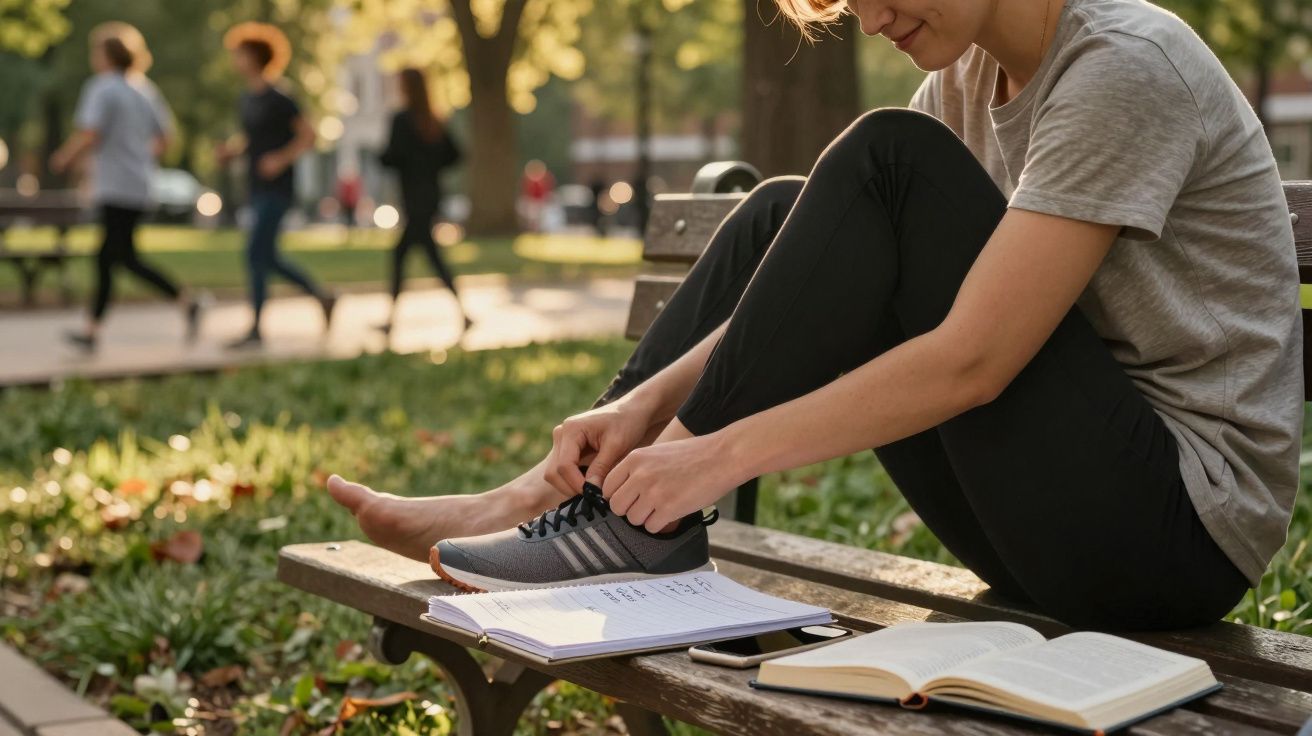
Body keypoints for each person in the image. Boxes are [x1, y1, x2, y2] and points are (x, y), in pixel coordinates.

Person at [328, 0, 1302, 630]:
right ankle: (559, 494)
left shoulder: (1125, 66)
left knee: (884, 158)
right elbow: (812, 286)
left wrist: (708, 457)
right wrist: (648, 409)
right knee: (780, 210)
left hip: (1174, 533)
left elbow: (973, 363)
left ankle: (620, 519)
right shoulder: (960, 85)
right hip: (1044, 522)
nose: (868, 17)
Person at [51, 23, 199, 352]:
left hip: (116, 184)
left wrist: (64, 157)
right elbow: (166, 137)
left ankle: (94, 331)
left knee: (112, 256)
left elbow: (90, 133)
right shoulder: (144, 90)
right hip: (140, 183)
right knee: (120, 257)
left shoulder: (102, 88)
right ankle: (185, 302)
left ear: (107, 55)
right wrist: (140, 156)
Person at [217, 22, 334, 349]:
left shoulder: (281, 97)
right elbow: (252, 139)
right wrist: (233, 151)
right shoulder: (247, 99)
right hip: (255, 186)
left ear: (255, 56)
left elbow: (307, 135)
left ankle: (256, 328)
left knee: (256, 253)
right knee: (267, 256)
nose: (235, 60)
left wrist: (280, 159)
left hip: (278, 188)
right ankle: (321, 295)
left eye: (240, 54)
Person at [376, 67, 470, 336]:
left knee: (405, 255)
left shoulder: (402, 120)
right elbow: (454, 155)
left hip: (413, 198)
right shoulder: (433, 120)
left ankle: (391, 319)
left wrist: (384, 157)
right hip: (429, 197)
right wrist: (431, 165)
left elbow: (391, 157)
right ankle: (461, 311)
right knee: (428, 256)